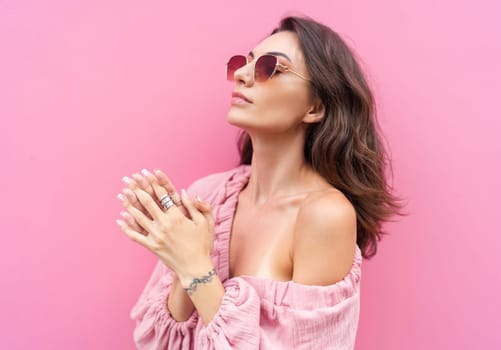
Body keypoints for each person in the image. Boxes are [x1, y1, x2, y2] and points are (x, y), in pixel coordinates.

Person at [116, 15, 405, 349]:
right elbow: (161, 343)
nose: (240, 74)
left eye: (270, 67)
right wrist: (182, 261)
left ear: (315, 107)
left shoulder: (325, 216)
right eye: (244, 63)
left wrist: (195, 266)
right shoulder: (207, 195)